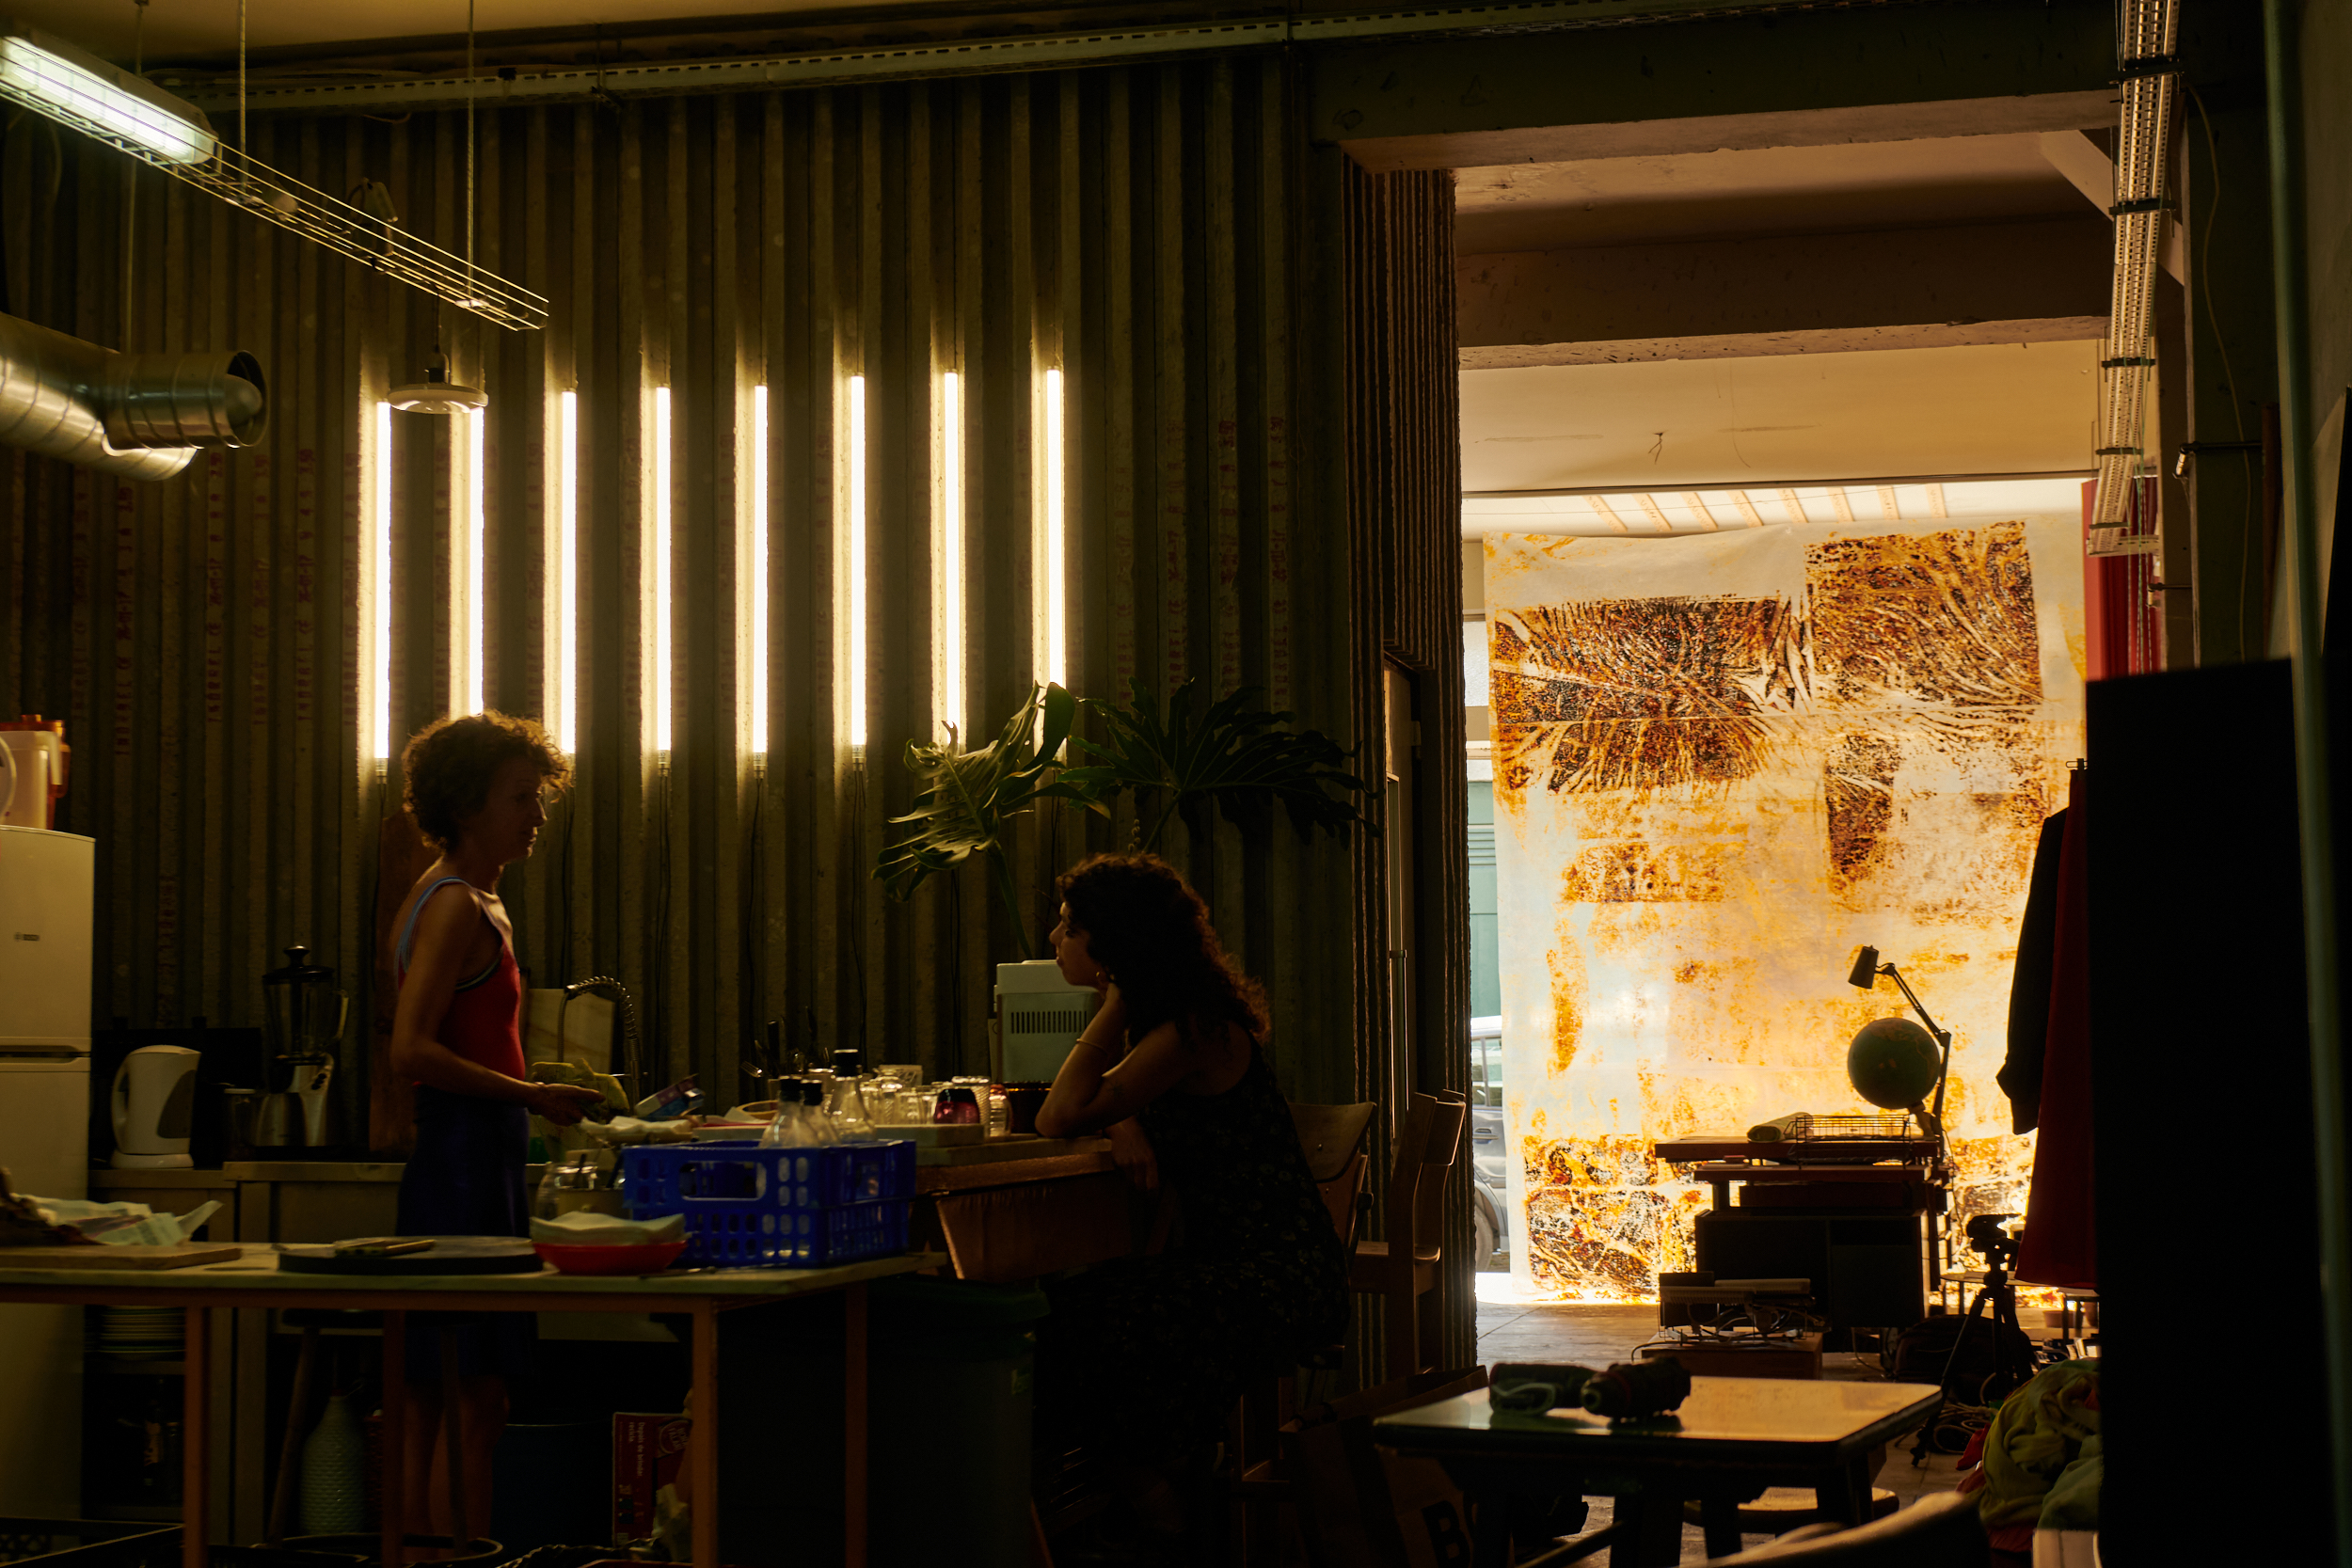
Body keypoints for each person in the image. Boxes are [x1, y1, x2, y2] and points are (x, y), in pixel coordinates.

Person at [1031, 852, 1348, 1544]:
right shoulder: (1179, 1023)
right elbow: (1098, 1103)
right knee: (1077, 1313)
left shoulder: (1191, 1029)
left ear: (1114, 941)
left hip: (1276, 1274)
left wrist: (1115, 1003)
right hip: (1236, 1263)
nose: (1054, 939)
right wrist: (1121, 1121)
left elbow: (1056, 1116)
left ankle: (1164, 1515)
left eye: (1070, 926)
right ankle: (1167, 1492)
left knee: (1076, 1322)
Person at [387, 712, 601, 1548]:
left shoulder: (470, 898)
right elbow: (411, 1049)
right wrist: (532, 1093)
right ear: (468, 805)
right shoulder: (451, 905)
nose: (537, 815)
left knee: (438, 1393)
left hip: (480, 1160)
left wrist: (528, 1094)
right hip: (461, 1165)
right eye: (520, 797)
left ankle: (420, 1556)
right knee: (471, 1395)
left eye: (538, 797)